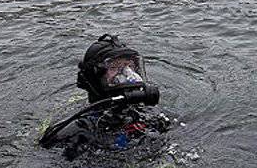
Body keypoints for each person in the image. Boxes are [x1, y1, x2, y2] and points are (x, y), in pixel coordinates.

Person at [39, 34, 171, 161]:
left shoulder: (146, 114)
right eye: (114, 67)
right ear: (94, 77)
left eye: (129, 66)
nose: (128, 75)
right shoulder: (77, 131)